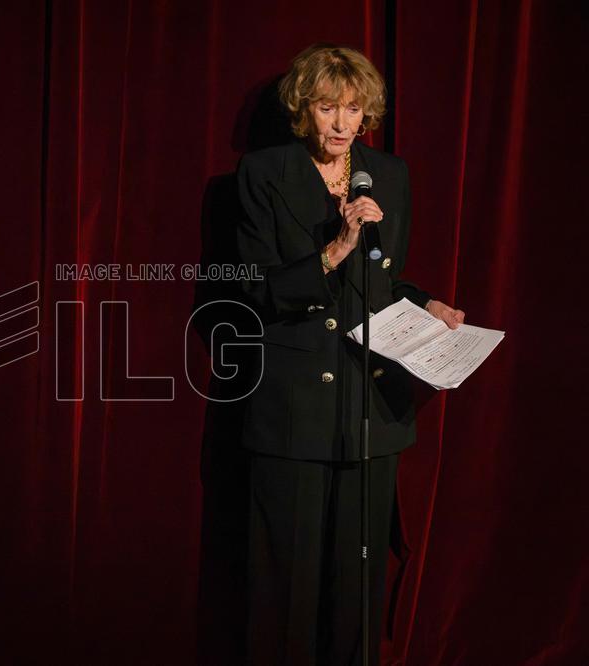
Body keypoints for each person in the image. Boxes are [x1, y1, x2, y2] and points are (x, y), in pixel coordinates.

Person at [210, 45, 465, 665]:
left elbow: (382, 279)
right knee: (284, 582)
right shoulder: (264, 173)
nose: (343, 123)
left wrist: (427, 302)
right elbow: (251, 289)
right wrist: (334, 249)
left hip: (368, 404)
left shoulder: (388, 172)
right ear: (305, 109)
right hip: (293, 402)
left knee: (359, 578)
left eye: (353, 108)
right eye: (328, 108)